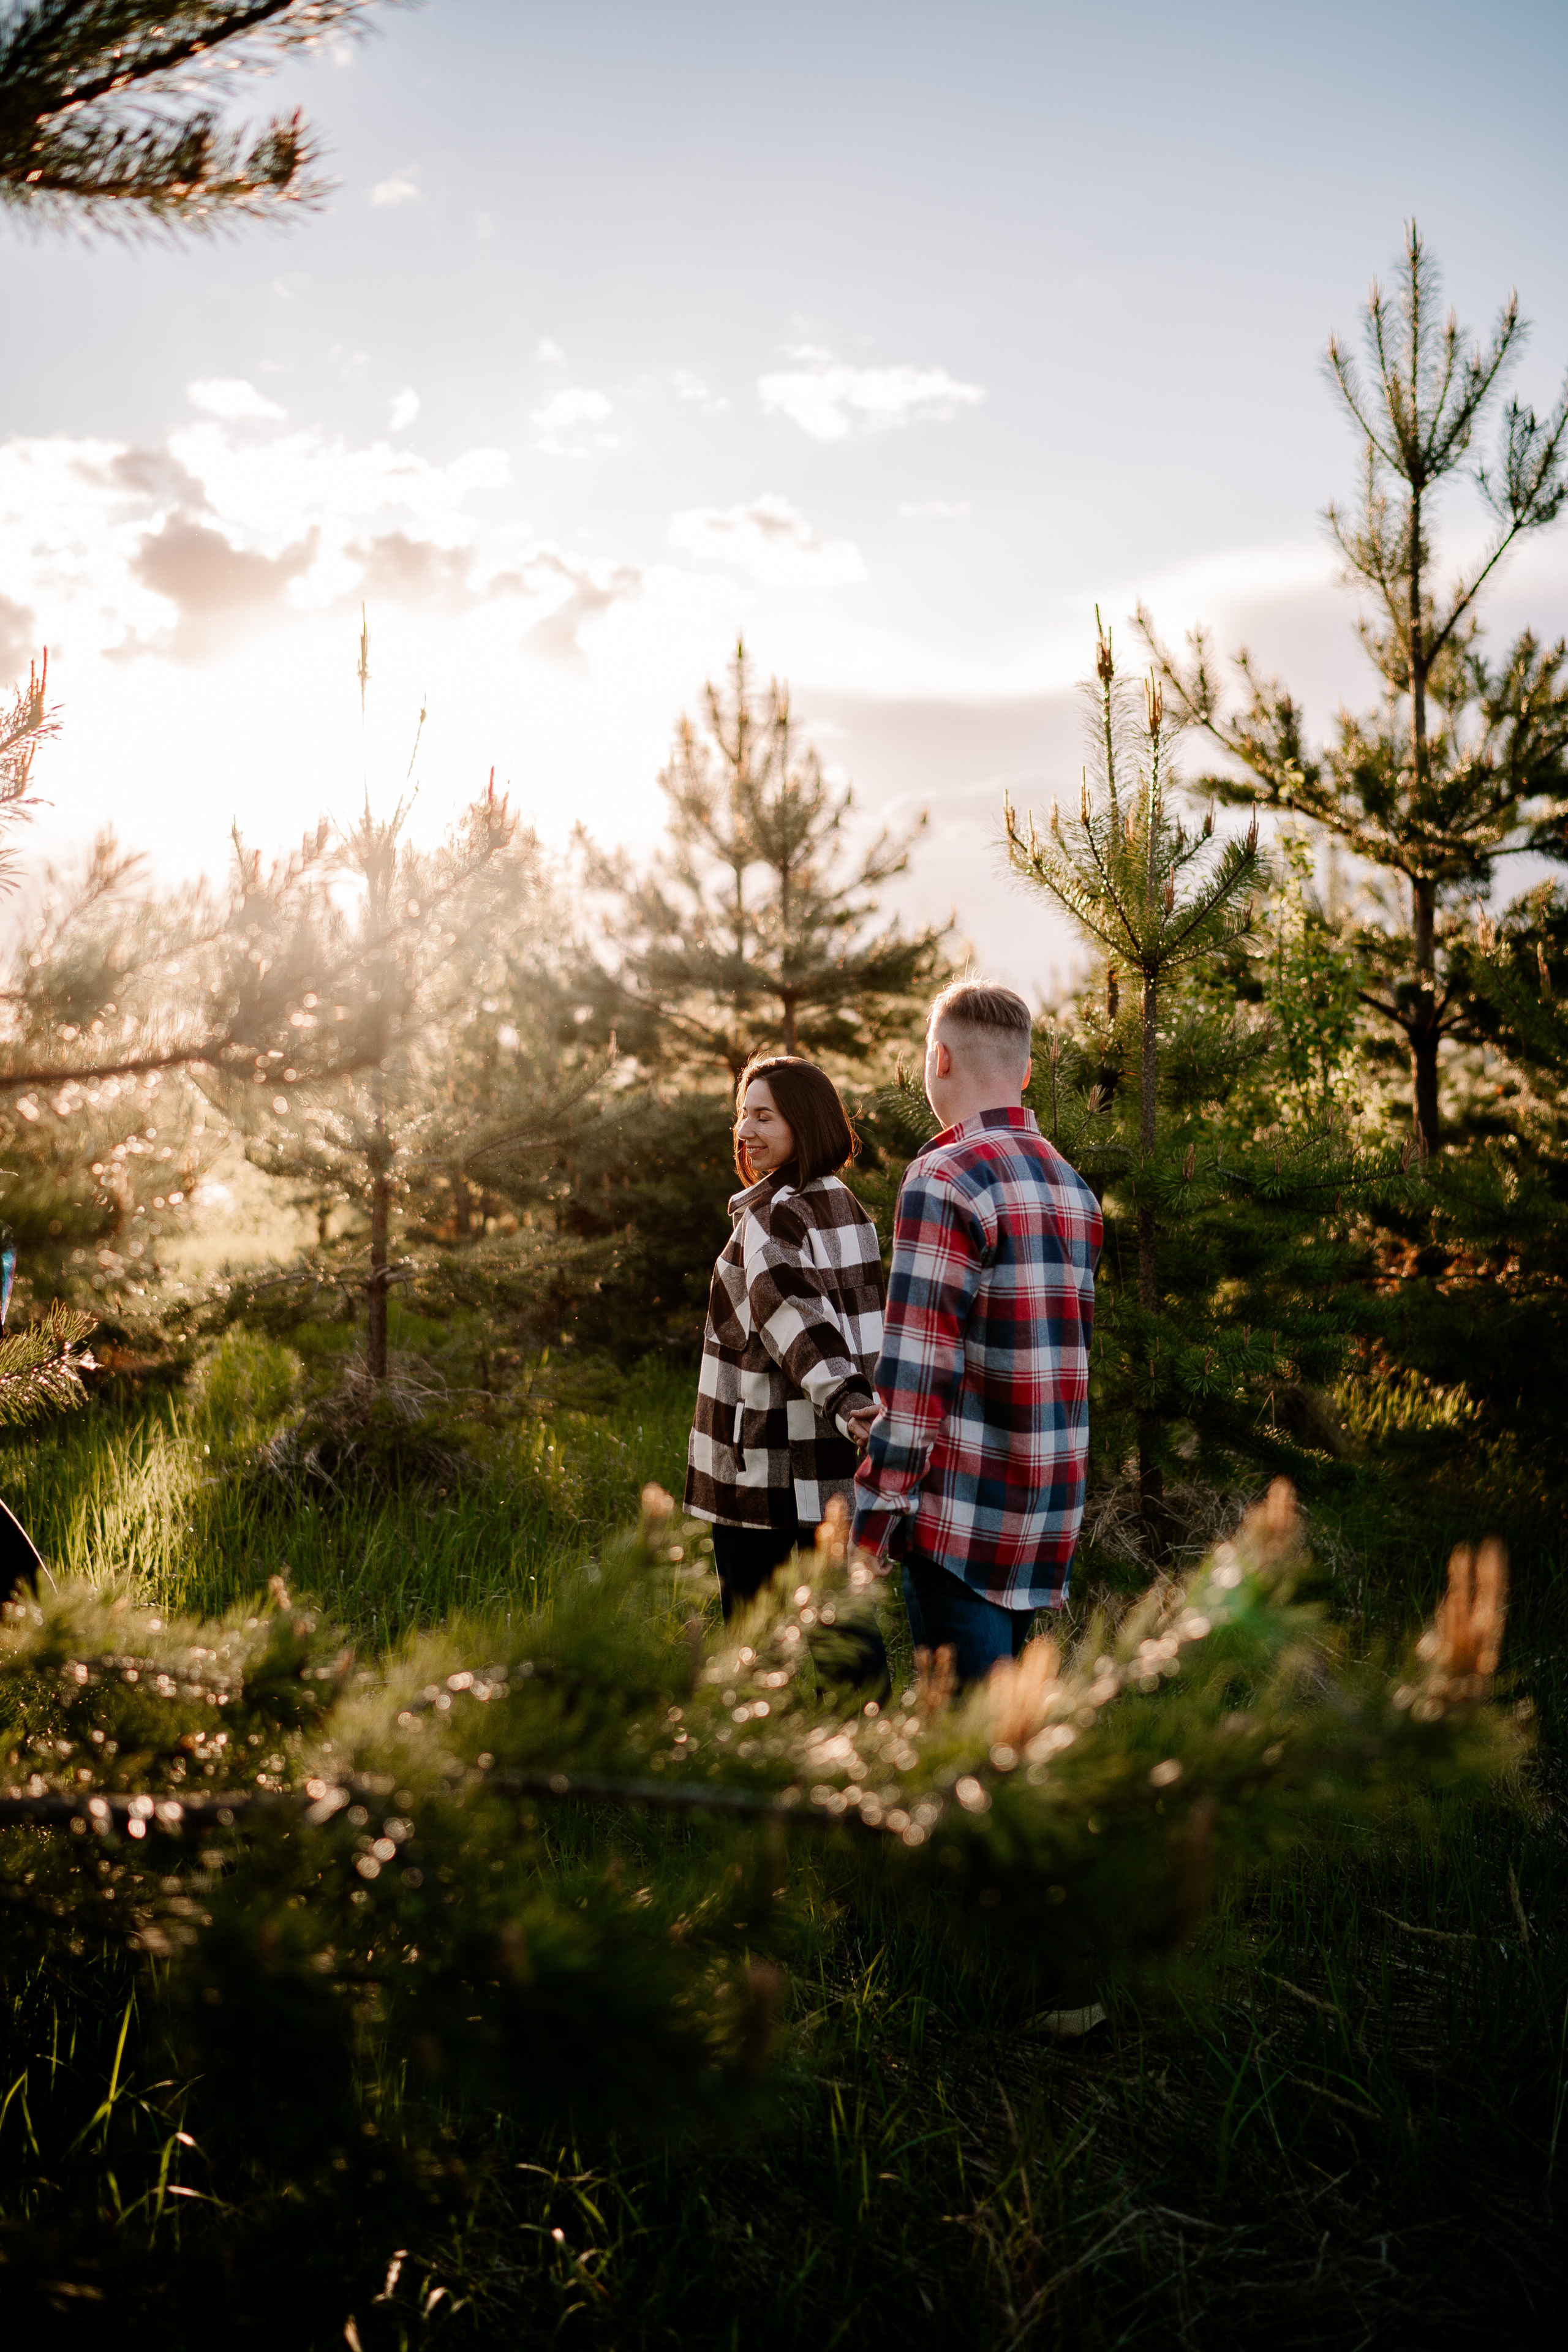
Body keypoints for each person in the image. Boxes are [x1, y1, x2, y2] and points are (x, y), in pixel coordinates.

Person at [848, 981, 1102, 1684]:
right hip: (1044, 1512)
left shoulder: (943, 1177)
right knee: (1003, 1736)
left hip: (961, 1519)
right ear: (1023, 1074)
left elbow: (919, 1374)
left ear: (939, 1059)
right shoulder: (1072, 1187)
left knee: (968, 1758)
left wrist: (868, 1530)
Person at [685, 1054, 886, 1621]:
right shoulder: (848, 1208)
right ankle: (864, 1717)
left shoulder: (772, 1220)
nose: (746, 1131)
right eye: (744, 1115)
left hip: (765, 1474)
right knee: (845, 1638)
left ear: (806, 1123)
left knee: (751, 1654)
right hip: (836, 1469)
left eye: (765, 1117)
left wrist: (852, 1407)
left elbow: (797, 1322)